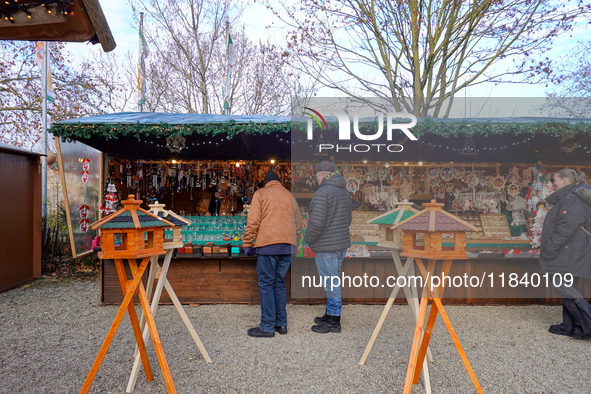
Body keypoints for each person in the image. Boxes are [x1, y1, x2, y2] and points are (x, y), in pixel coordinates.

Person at [242, 170, 302, 338]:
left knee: (266, 284)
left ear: (266, 182)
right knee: (279, 283)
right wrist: (295, 244)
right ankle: (281, 324)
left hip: (268, 246)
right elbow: (298, 223)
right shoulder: (290, 195)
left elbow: (253, 221)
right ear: (280, 181)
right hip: (288, 246)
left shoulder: (261, 193)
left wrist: (247, 243)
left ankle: (267, 326)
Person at [539, 169, 591, 339]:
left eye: (554, 181)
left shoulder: (573, 198)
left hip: (569, 251)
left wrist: (549, 250)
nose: (553, 184)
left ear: (564, 180)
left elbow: (566, 227)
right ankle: (569, 326)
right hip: (574, 251)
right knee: (568, 285)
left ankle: (588, 324)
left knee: (563, 285)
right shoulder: (575, 196)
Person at [304, 161, 352, 333]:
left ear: (319, 174)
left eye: (316, 175)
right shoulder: (344, 191)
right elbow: (348, 220)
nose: (316, 178)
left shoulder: (322, 193)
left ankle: (334, 322)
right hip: (340, 245)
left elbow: (316, 224)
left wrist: (307, 239)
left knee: (331, 284)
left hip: (326, 246)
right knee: (333, 281)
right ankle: (329, 313)